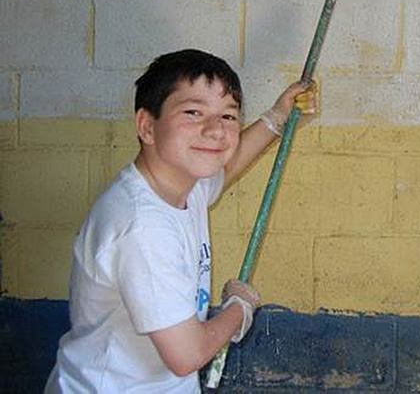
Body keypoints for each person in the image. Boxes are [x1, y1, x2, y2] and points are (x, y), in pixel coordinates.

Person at [45, 48, 315, 393]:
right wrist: (239, 308)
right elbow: (185, 355)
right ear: (147, 126)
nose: (216, 130)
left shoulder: (181, 185)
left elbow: (227, 167)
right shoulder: (143, 227)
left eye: (229, 116)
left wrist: (277, 116)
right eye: (193, 112)